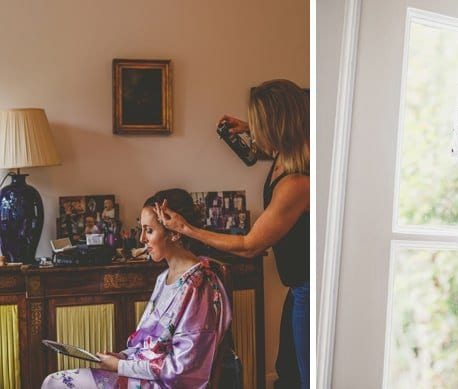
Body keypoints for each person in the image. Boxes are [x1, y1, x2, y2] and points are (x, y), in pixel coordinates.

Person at [155, 79, 310, 389]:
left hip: (310, 288)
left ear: (275, 125)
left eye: (259, 122)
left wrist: (187, 229)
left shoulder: (296, 183)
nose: (255, 129)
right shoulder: (283, 155)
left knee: (305, 379)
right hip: (297, 286)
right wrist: (247, 127)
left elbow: (249, 245)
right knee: (289, 373)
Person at [42, 189, 233, 388]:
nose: (141, 239)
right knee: (55, 382)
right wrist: (121, 357)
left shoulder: (199, 286)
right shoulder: (163, 279)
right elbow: (145, 343)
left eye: (149, 230)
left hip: (163, 384)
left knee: (57, 384)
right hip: (141, 374)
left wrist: (121, 366)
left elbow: (183, 369)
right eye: (141, 229)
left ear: (174, 232)